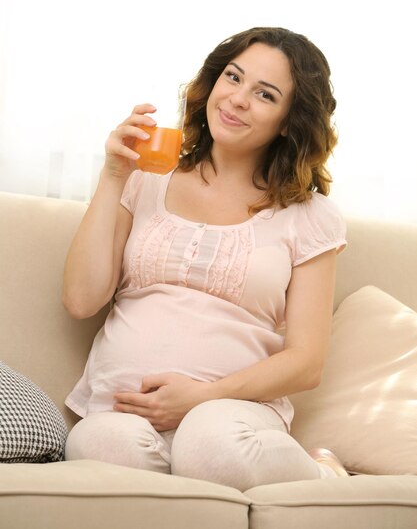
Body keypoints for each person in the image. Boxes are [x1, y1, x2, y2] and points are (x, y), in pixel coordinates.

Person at [63, 26, 348, 490]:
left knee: (210, 445)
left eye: (265, 94)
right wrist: (115, 175)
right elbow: (81, 299)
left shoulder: (310, 217)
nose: (237, 99)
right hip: (126, 411)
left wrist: (201, 397)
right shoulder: (145, 179)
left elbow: (306, 361)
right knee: (98, 445)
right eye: (233, 78)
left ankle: (323, 474)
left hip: (233, 415)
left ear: (289, 120)